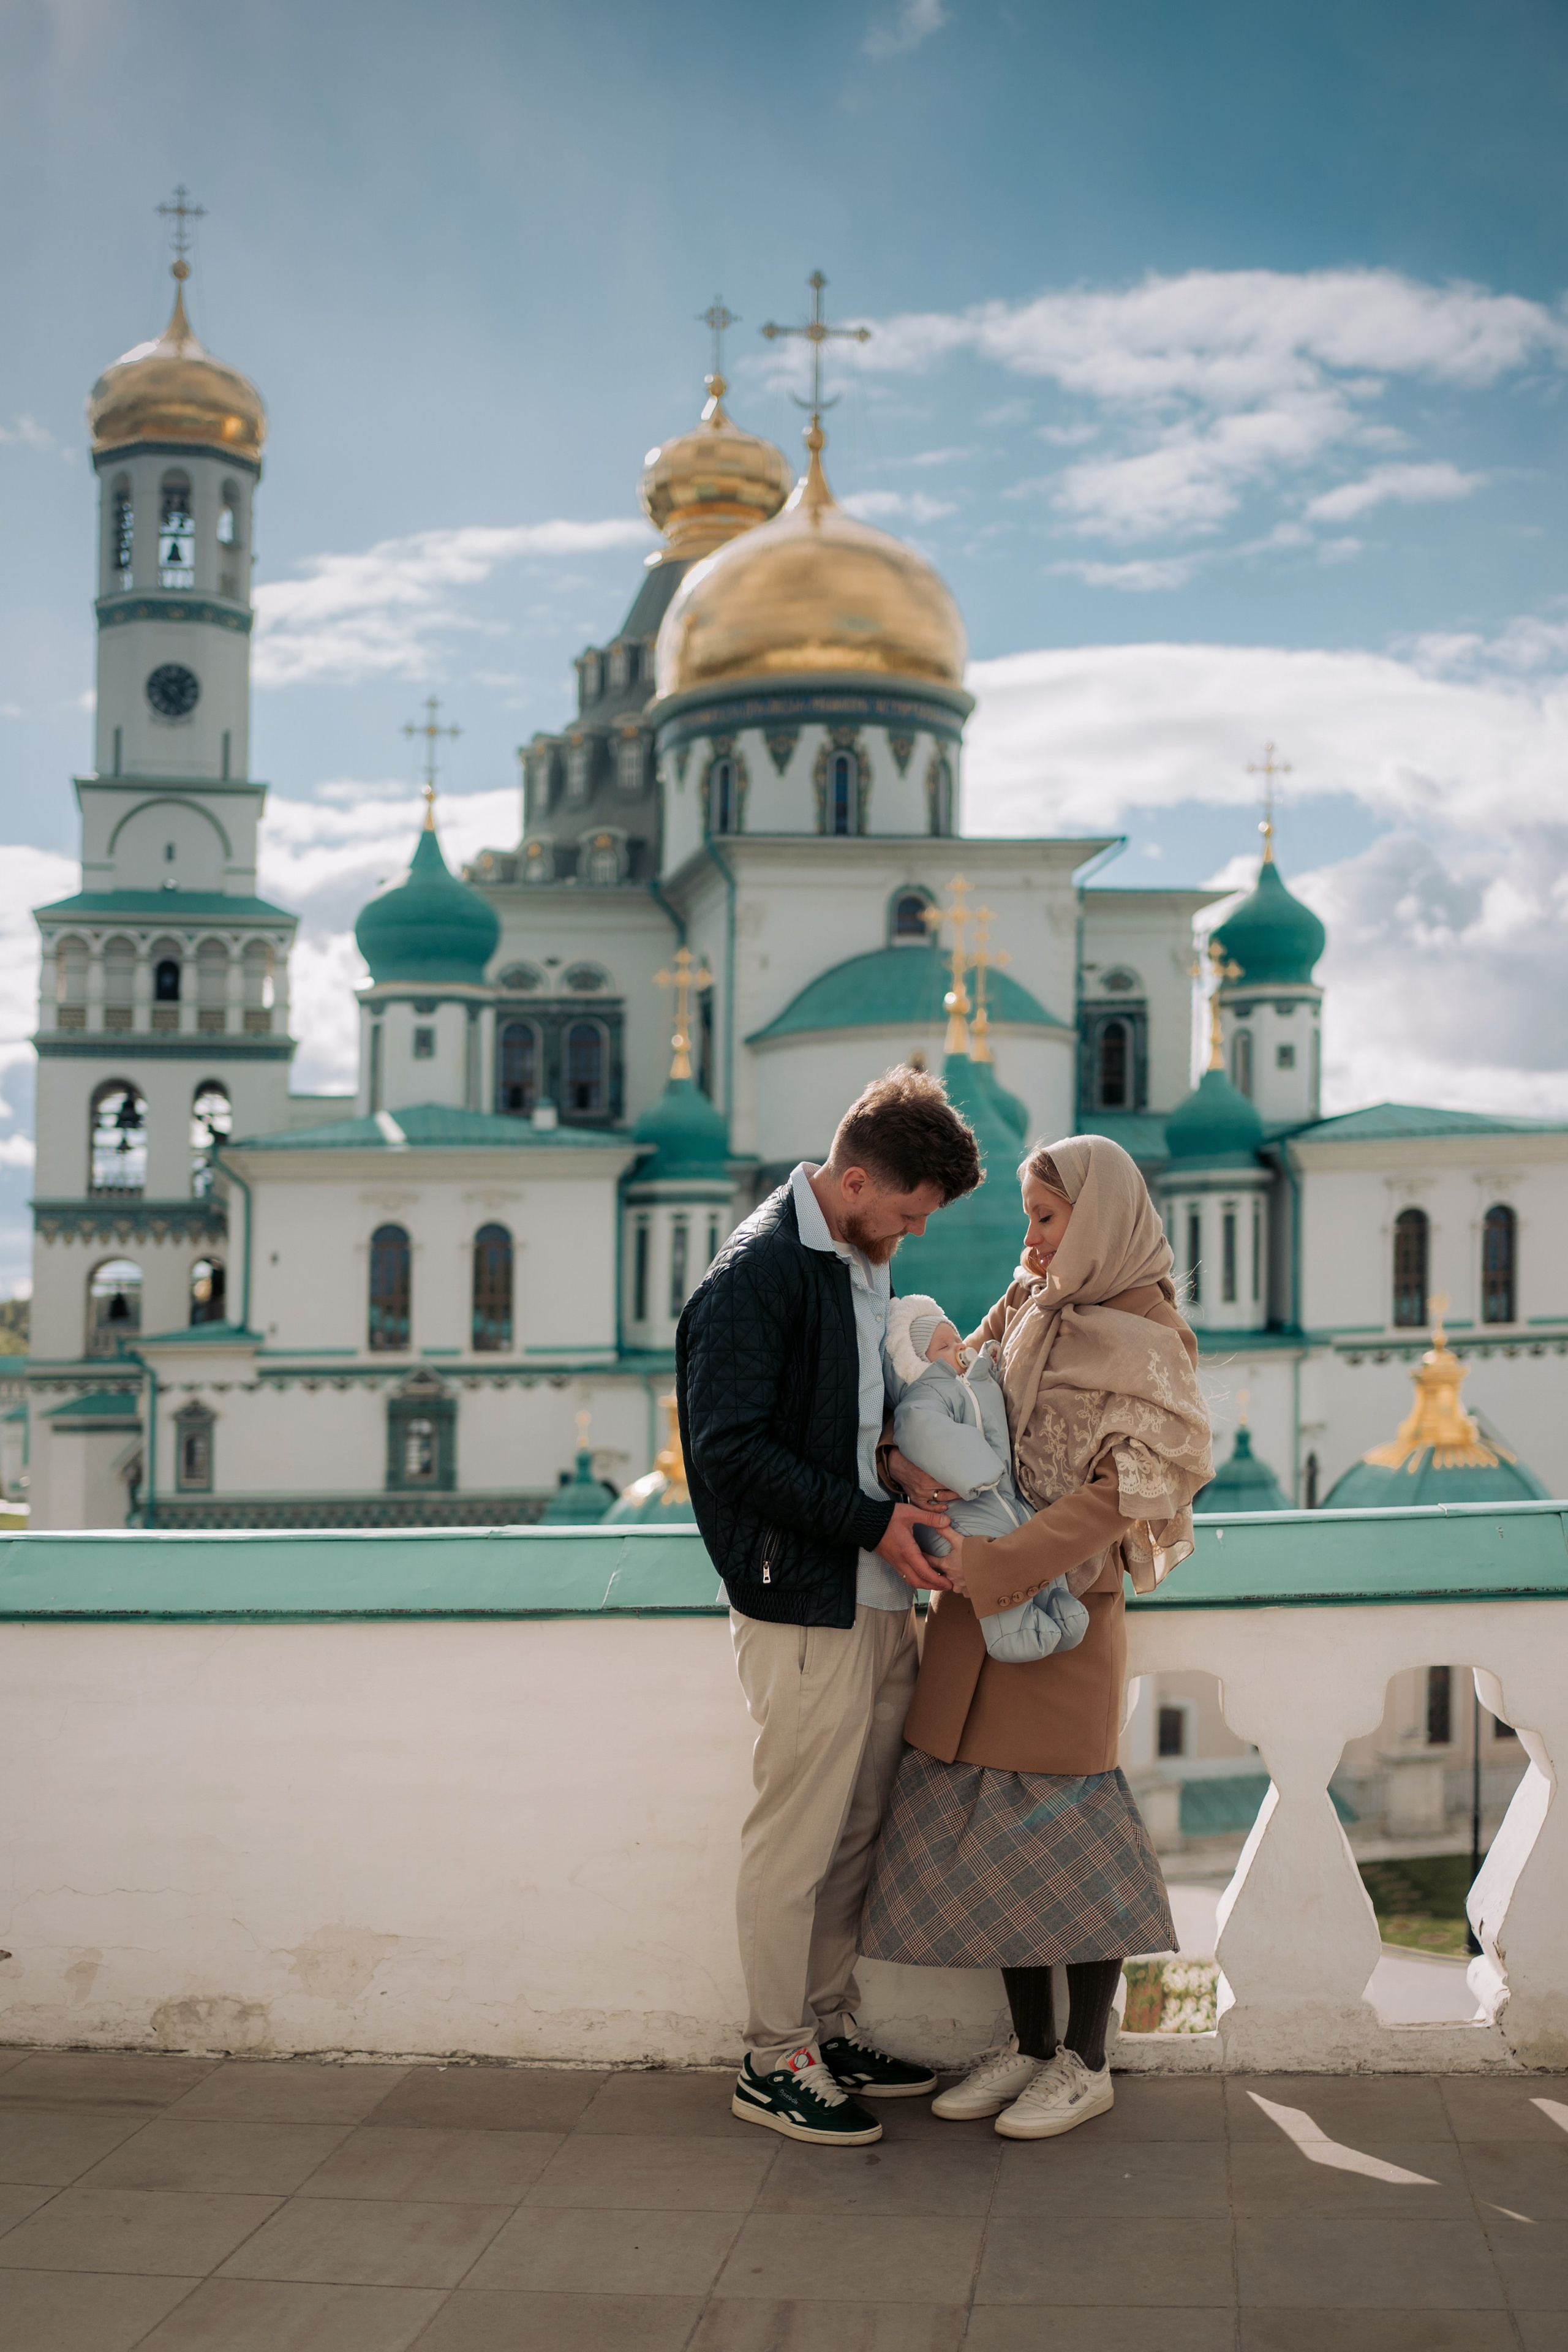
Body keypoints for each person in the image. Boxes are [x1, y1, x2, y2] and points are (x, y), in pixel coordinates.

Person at [862, 1134, 1214, 2140]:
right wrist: (899, 1458)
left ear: (1098, 1220)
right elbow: (951, 1387)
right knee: (994, 1835)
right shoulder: (1029, 1305)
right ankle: (1028, 2046)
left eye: (1048, 1218)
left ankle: (1086, 2062)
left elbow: (1121, 1495)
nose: (1033, 1238)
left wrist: (1001, 1565)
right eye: (1030, 1218)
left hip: (1065, 1617)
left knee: (1073, 1840)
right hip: (979, 1607)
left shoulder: (1149, 1338)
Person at [677, 1068, 982, 2147]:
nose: (913, 1234)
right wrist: (869, 1520)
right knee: (797, 1840)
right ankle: (774, 2059)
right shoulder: (754, 1274)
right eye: (908, 1213)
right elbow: (727, 1451)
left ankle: (825, 2028)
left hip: (875, 1589)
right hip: (804, 1601)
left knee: (853, 1833)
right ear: (854, 1181)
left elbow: (835, 1429)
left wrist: (893, 1469)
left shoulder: (854, 1260)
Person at [884, 1294, 1089, 1664]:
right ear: (917, 1365)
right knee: (996, 1551)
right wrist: (977, 1471)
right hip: (961, 1509)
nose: (959, 1348)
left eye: (957, 1339)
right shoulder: (923, 1400)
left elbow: (984, 1411)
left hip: (1001, 1495)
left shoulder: (969, 1382)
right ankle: (1011, 1633)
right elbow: (927, 1435)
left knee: (1026, 1535)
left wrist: (987, 1367)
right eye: (944, 1347)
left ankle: (1057, 1604)